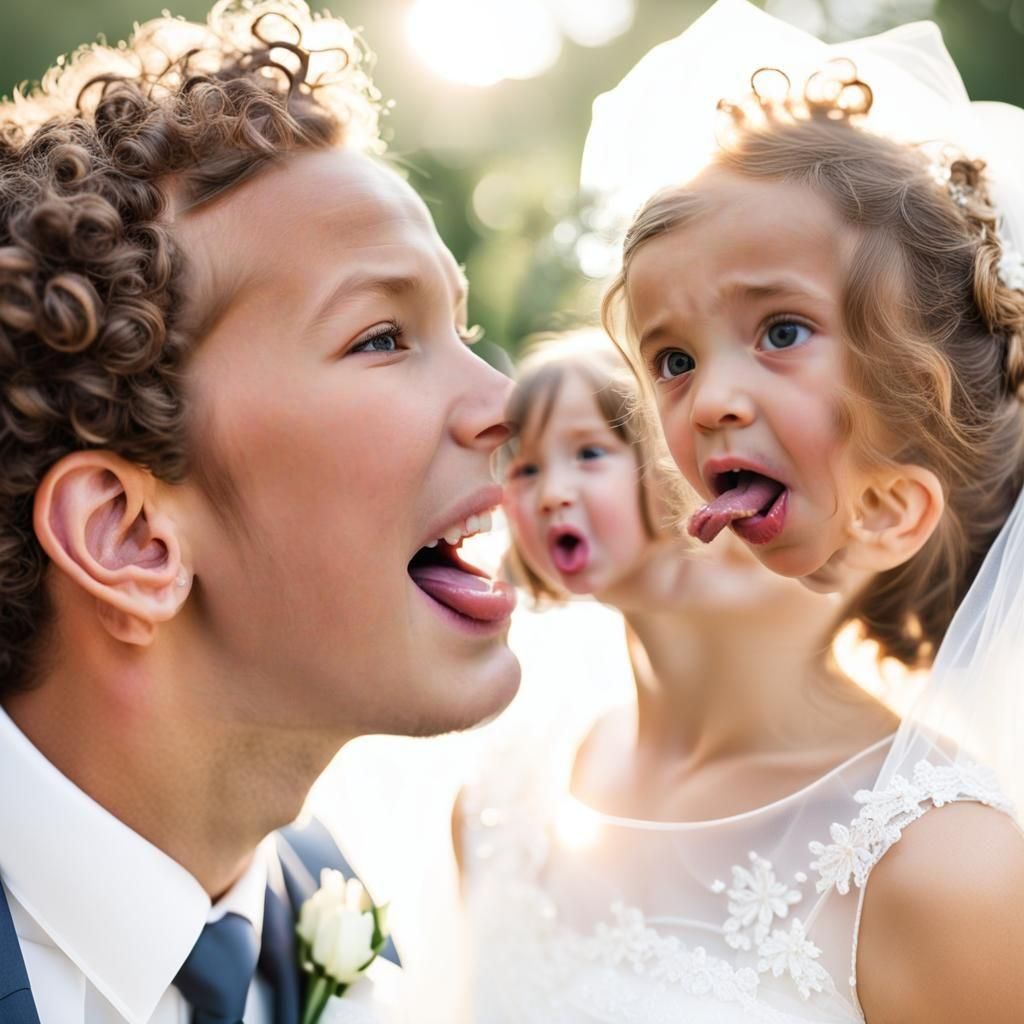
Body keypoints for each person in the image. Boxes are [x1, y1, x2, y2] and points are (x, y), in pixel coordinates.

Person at [0, 2, 519, 1022]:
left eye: (463, 327)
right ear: (130, 537)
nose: (507, 405)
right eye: (381, 338)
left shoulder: (331, 899)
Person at [591, 2, 1024, 1021]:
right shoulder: (568, 769)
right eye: (672, 359)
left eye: (780, 329)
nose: (708, 400)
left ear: (884, 507)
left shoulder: (948, 870)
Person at [456, 330, 899, 1022]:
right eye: (526, 467)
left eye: (590, 452)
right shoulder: (497, 802)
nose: (551, 494)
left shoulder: (889, 834)